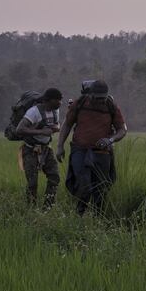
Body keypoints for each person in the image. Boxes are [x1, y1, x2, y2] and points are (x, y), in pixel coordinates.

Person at [56, 80, 127, 216]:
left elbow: (122, 130)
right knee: (83, 185)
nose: (100, 101)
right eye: (97, 98)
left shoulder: (111, 106)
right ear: (90, 95)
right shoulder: (80, 103)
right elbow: (67, 125)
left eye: (103, 98)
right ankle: (79, 215)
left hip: (102, 153)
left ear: (107, 96)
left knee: (101, 188)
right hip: (80, 150)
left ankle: (98, 218)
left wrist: (110, 139)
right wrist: (60, 146)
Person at [15, 87, 63, 208]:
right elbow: (19, 129)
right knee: (32, 183)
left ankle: (47, 208)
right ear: (48, 100)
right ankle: (31, 210)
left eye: (60, 100)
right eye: (57, 100)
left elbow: (57, 123)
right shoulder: (33, 112)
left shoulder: (55, 110)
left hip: (46, 149)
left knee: (55, 177)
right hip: (30, 149)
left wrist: (56, 128)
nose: (60, 103)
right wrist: (41, 132)